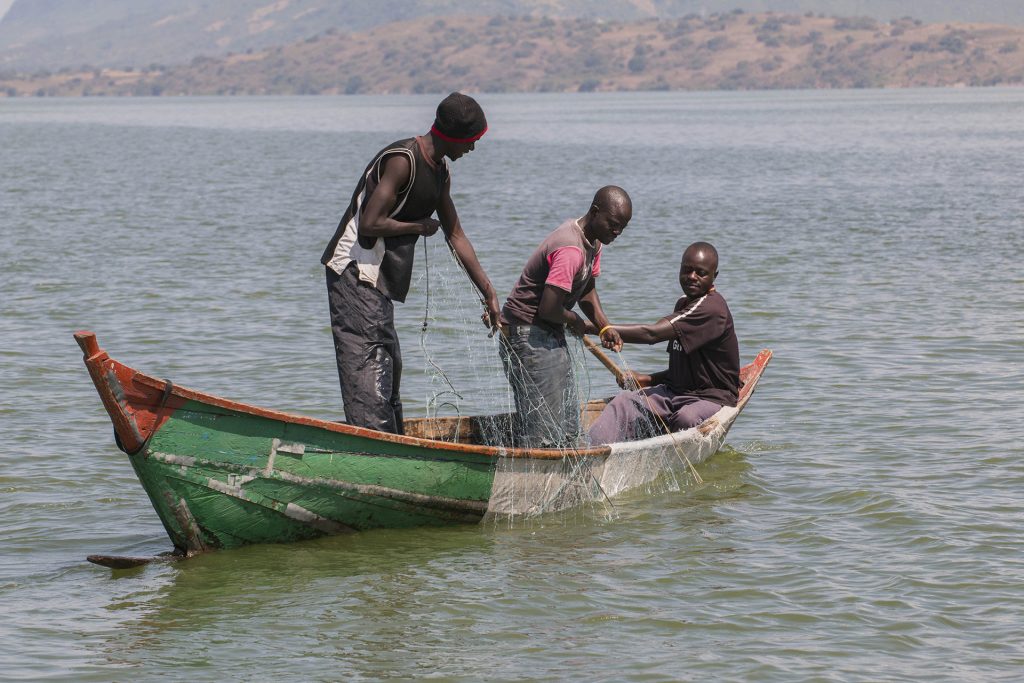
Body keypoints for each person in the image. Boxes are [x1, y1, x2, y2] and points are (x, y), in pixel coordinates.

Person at [321, 92, 500, 434]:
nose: (472, 150)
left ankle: (391, 441)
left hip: (379, 282)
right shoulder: (403, 160)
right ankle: (376, 451)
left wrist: (488, 292)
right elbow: (371, 222)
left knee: (389, 368)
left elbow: (456, 235)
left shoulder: (439, 173)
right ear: (453, 136)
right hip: (354, 270)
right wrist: (420, 226)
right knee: (369, 371)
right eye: (472, 141)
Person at [498, 186, 630, 448]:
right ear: (595, 212)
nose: (616, 233)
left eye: (622, 228)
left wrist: (605, 327)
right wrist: (574, 321)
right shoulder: (570, 249)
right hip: (528, 335)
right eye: (613, 225)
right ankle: (533, 484)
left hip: (548, 333)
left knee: (570, 430)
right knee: (543, 434)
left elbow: (587, 290)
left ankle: (570, 481)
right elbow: (549, 308)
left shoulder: (594, 241)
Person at [588, 241, 740, 446]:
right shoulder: (683, 304)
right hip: (674, 392)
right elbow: (681, 370)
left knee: (686, 419)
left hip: (710, 399)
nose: (692, 277)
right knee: (624, 402)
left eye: (700, 273)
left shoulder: (712, 309)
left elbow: (652, 334)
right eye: (686, 270)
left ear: (714, 276)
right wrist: (647, 379)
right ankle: (592, 452)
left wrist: (597, 327)